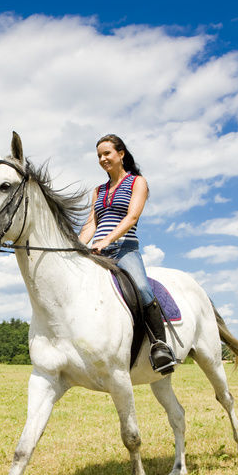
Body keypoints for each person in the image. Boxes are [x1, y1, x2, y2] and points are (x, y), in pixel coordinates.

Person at [78, 134, 176, 374]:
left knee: (142, 288)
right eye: (99, 155)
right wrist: (76, 246)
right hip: (98, 252)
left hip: (125, 250)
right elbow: (91, 224)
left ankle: (160, 346)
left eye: (107, 153)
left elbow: (132, 217)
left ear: (121, 154)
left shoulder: (137, 182)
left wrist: (107, 240)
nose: (102, 159)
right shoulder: (98, 190)